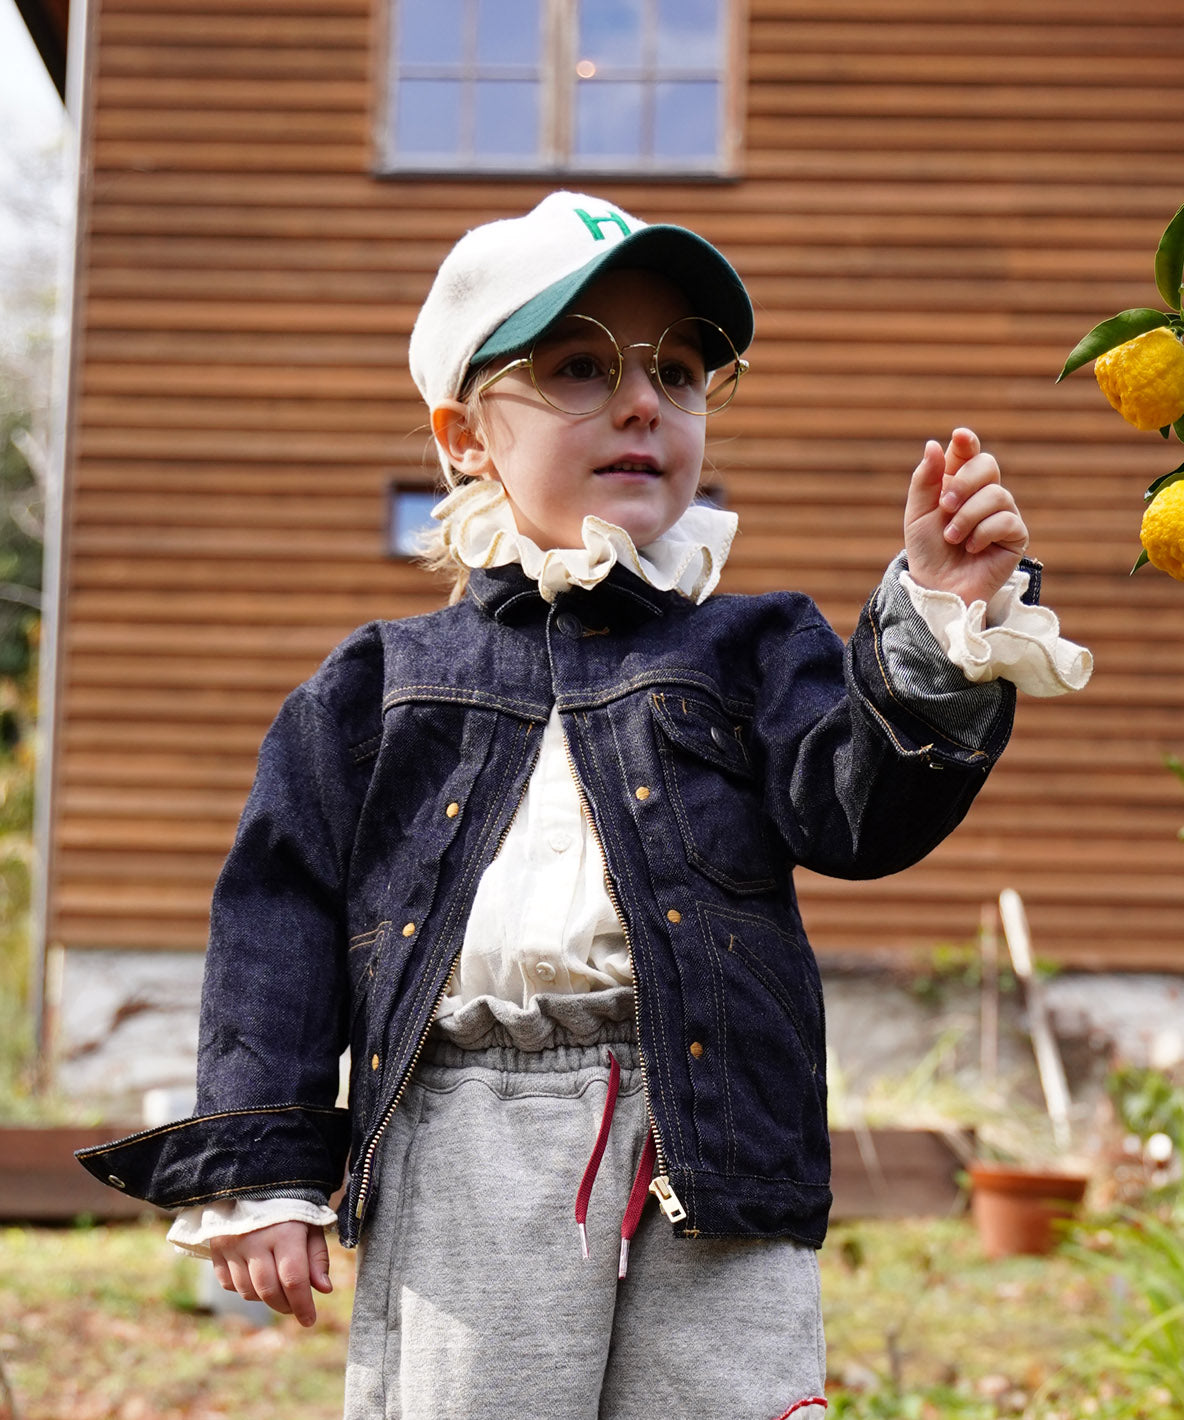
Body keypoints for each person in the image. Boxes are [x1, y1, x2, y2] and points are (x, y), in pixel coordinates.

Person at [77, 191, 1091, 1418]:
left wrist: (934, 624)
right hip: (465, 1133)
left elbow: (856, 816)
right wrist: (264, 1164)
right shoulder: (375, 686)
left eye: (677, 369)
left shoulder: (753, 644)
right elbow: (276, 915)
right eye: (576, 365)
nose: (640, 400)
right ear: (461, 433)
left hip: (712, 1130)